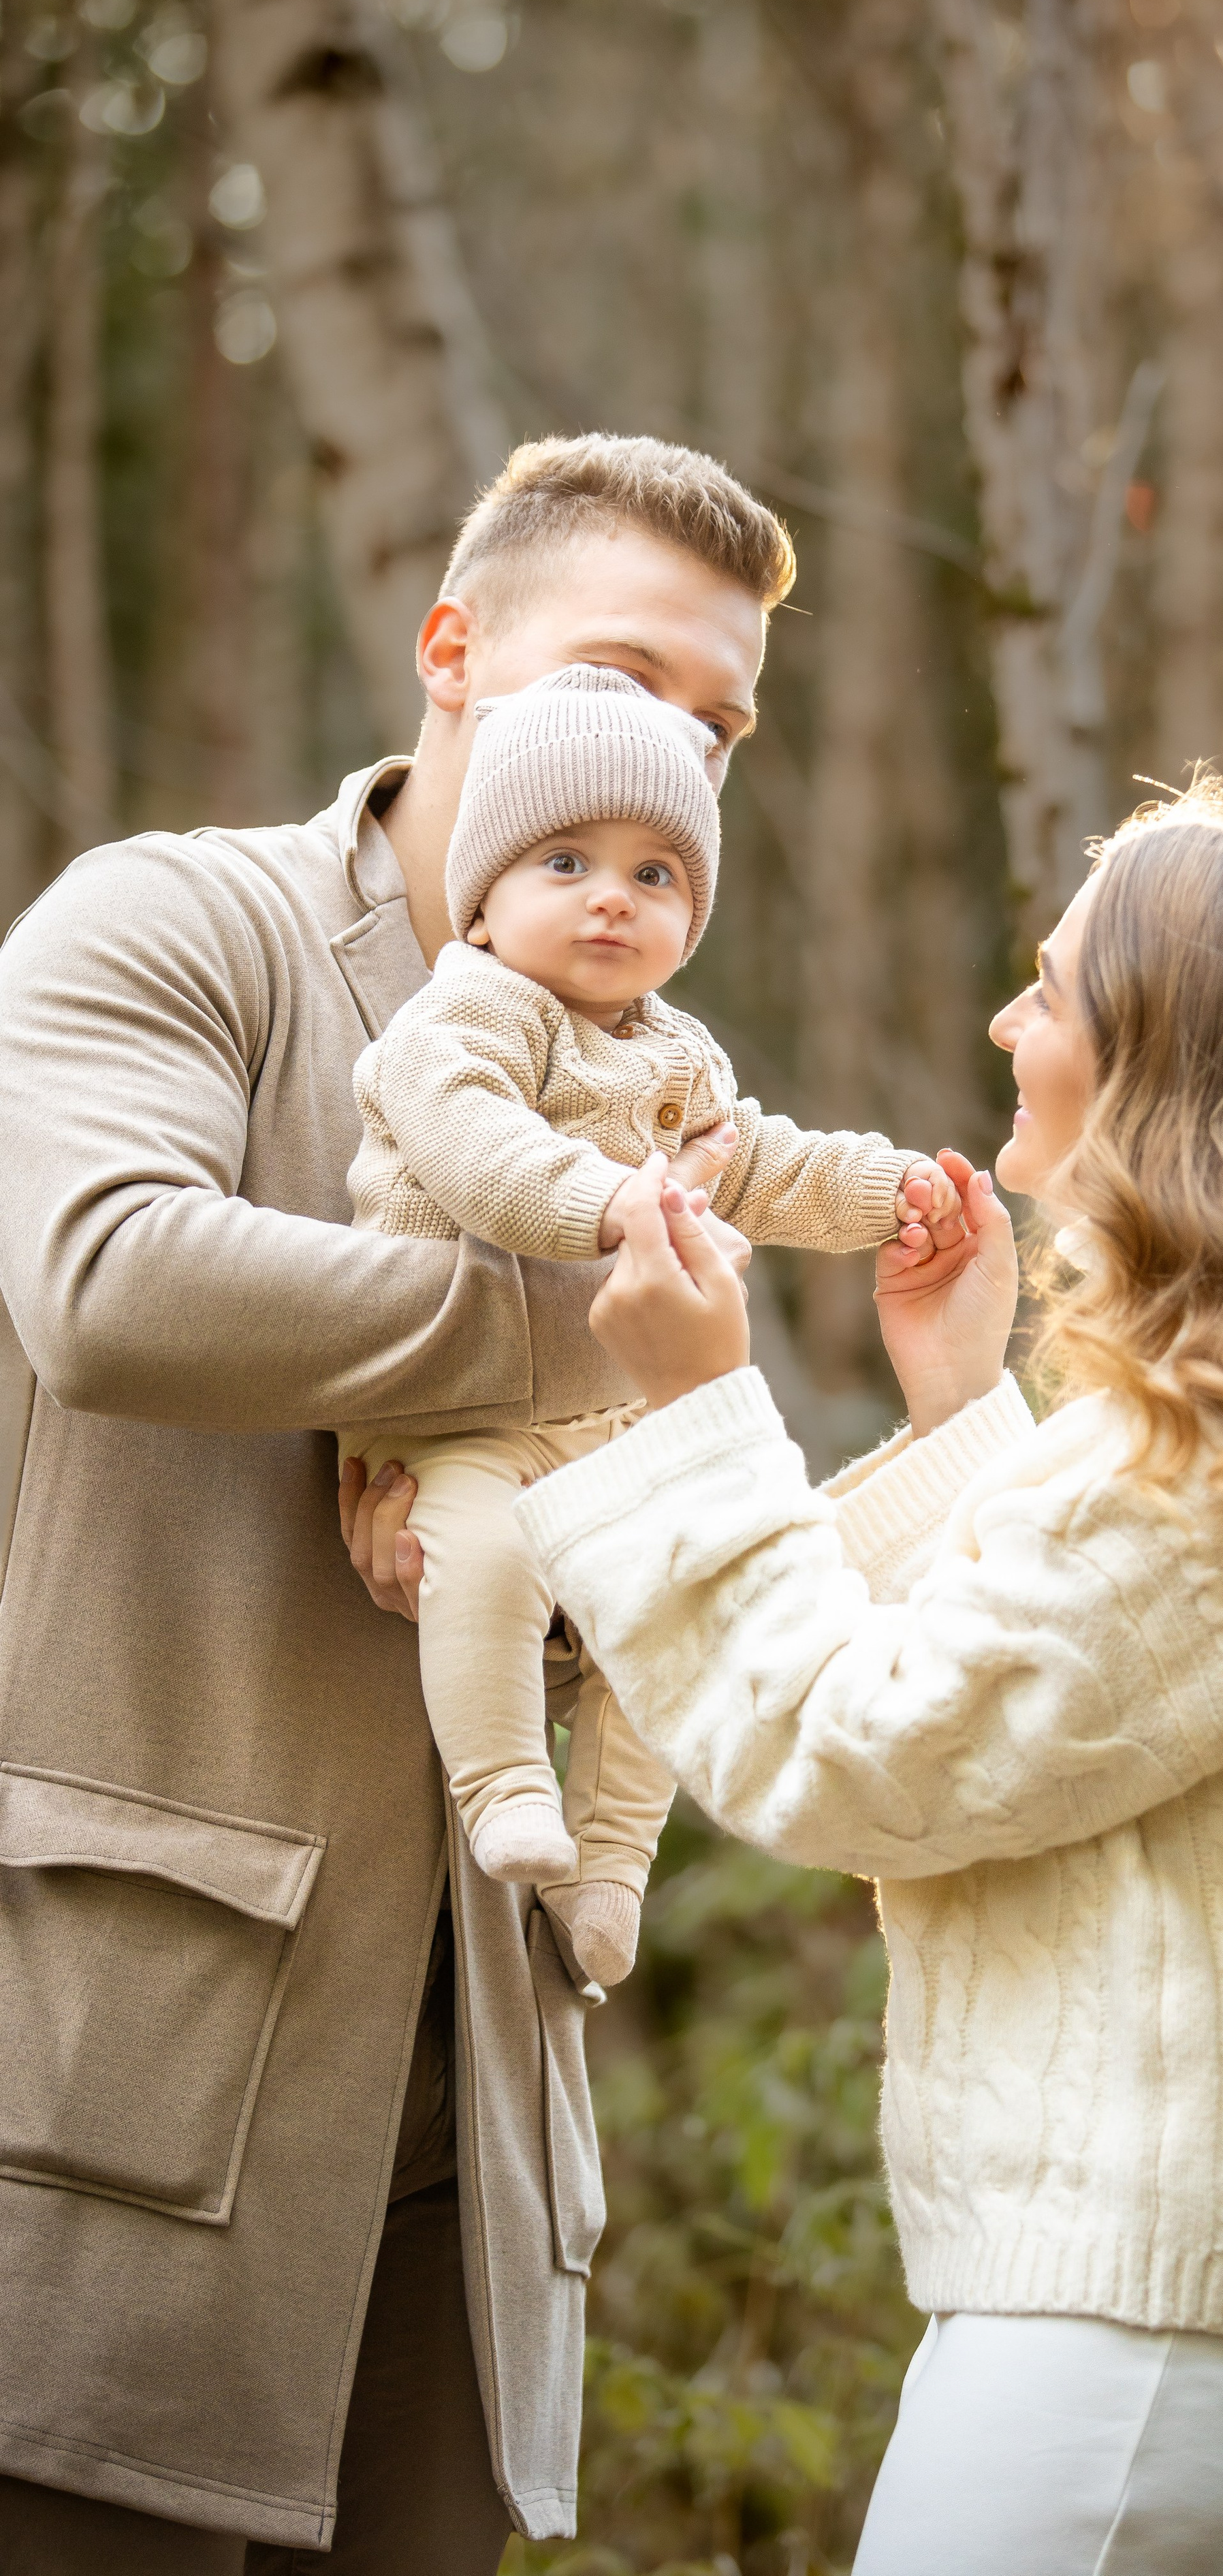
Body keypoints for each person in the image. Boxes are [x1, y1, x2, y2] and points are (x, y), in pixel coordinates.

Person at [494, 788, 1223, 2575]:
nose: (1006, 1028)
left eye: (1048, 992)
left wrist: (698, 1406)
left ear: (1173, 1067)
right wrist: (968, 1417)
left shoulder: (1206, 1459)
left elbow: (862, 1759)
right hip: (1218, 2315)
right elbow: (1082, 1702)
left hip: (1136, 2336)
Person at [0, 433, 792, 2573]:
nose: (673, 747)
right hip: (127, 2090)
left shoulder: (664, 1058)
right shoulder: (176, 922)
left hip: (480, 2121)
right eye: (621, 670)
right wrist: (566, 1341)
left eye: (717, 726)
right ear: (452, 650)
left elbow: (686, 1509)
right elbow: (104, 1279)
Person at [343, 658, 959, 1962]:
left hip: (606, 1415)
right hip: (458, 1408)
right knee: (485, 1560)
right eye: (564, 861)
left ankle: (614, 1865)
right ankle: (504, 1784)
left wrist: (885, 1191)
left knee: (661, 1612)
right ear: (487, 900)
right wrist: (619, 1204)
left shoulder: (674, 1054)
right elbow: (476, 1152)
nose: (611, 896)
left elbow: (759, 1164)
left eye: (654, 874)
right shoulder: (462, 1018)